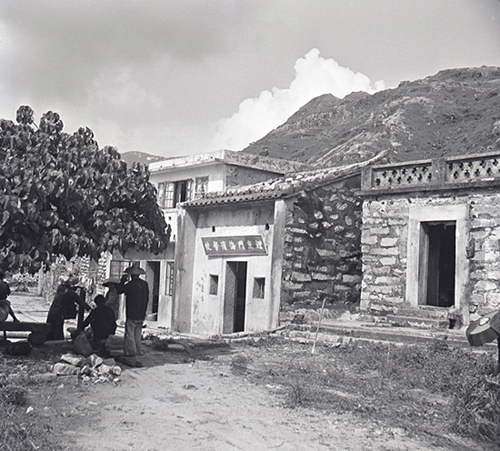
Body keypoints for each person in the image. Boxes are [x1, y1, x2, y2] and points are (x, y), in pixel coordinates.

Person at [116, 264, 149, 357]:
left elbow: (119, 290)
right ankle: (138, 350)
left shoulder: (131, 285)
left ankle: (131, 352)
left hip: (131, 313)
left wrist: (122, 281)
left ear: (131, 275)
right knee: (138, 334)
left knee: (130, 334)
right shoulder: (145, 284)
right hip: (141, 313)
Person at [46, 277, 91, 341]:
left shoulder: (60, 289)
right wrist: (89, 308)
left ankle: (48, 342)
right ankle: (58, 345)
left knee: (50, 330)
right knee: (58, 332)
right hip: (59, 313)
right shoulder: (70, 292)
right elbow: (80, 302)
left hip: (52, 311)